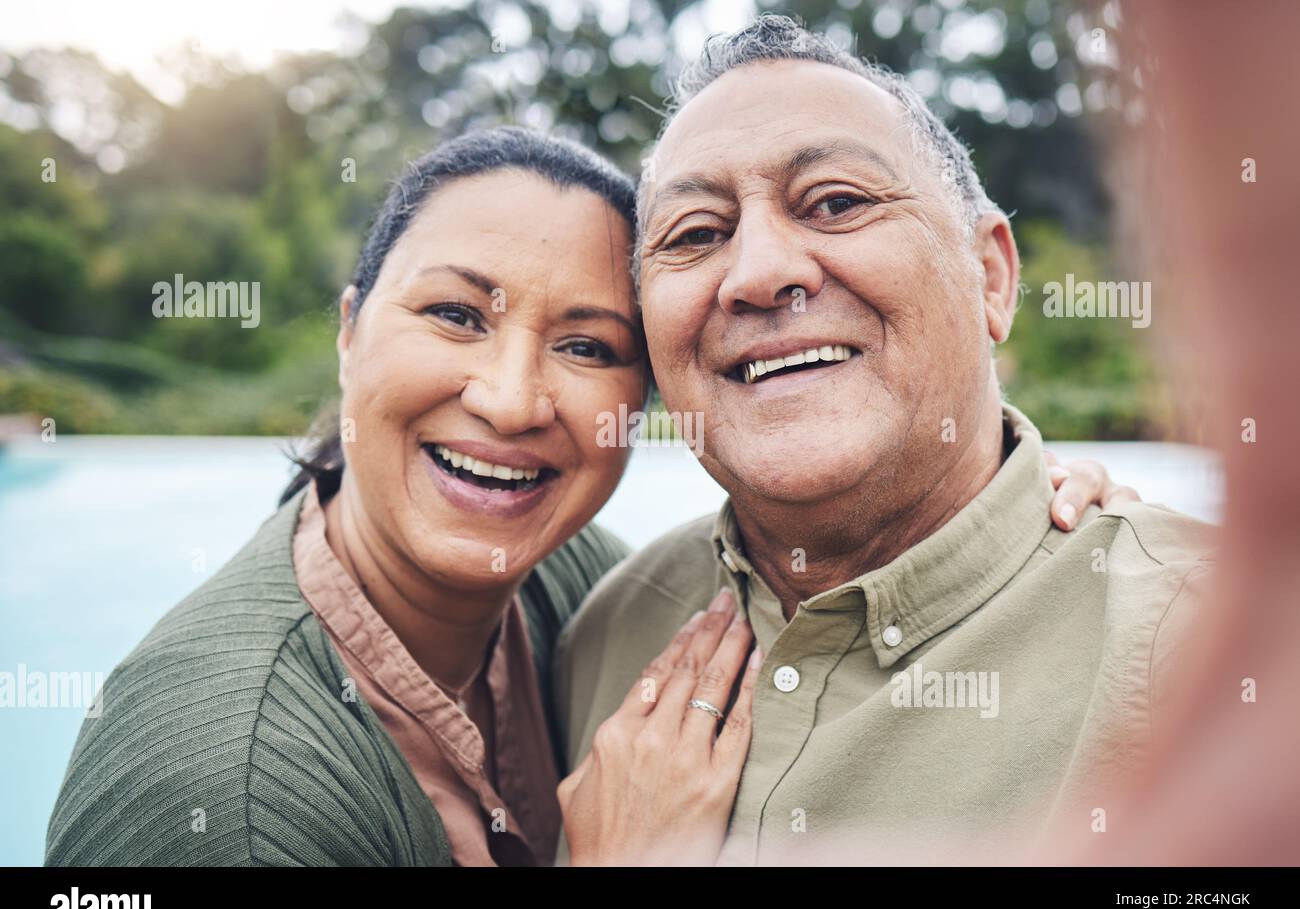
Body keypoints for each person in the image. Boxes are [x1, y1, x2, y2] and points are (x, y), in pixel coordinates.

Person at [45, 125, 1131, 867]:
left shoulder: (556, 573)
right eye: (457, 316)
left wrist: (993, 501)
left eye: (585, 344)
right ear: (347, 332)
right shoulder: (228, 794)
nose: (514, 401)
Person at [554, 16, 1210, 866]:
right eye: (696, 235)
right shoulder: (601, 629)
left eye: (836, 202)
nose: (757, 273)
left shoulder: (1209, 649)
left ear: (991, 276)